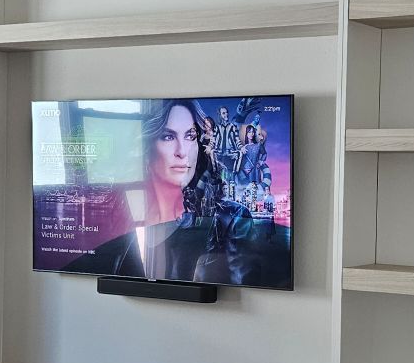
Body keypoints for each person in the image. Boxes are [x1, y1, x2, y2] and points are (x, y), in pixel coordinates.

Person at [68, 99, 292, 289]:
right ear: (148, 145)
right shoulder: (119, 212)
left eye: (190, 136)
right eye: (167, 136)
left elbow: (244, 282)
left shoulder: (231, 217)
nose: (182, 151)